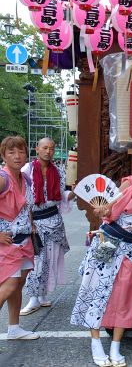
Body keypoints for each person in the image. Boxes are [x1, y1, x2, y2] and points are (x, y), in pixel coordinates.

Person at [71, 147, 132, 366]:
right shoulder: (131, 184)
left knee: (126, 294)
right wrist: (103, 210)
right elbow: (109, 209)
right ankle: (95, 342)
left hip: (130, 248)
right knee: (97, 288)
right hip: (107, 241)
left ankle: (116, 345)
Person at [20, 138, 74, 315]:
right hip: (34, 222)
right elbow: (23, 200)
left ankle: (42, 295)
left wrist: (74, 192)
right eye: (45, 148)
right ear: (37, 149)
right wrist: (30, 222)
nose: (48, 151)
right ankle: (33, 298)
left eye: (51, 148)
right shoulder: (26, 170)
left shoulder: (58, 170)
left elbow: (60, 195)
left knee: (50, 260)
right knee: (36, 261)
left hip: (53, 220)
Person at [0, 136, 39, 340]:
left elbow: (26, 205)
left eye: (21, 151)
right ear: (3, 155)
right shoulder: (3, 178)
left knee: (19, 283)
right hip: (8, 241)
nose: (17, 156)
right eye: (11, 152)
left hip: (24, 240)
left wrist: (31, 224)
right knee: (9, 284)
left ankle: (14, 328)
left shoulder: (25, 178)